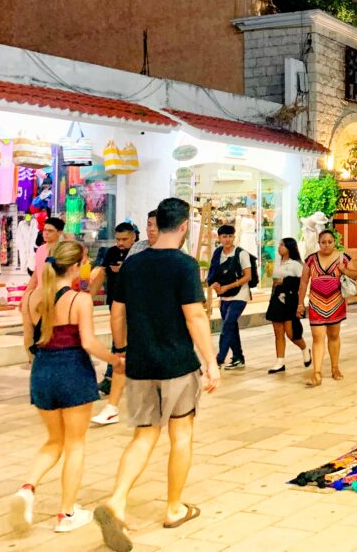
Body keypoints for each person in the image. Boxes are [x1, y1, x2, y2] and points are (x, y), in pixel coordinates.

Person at [93, 198, 220, 552]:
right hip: (177, 364)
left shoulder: (132, 266)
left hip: (140, 364)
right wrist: (210, 361)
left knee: (143, 436)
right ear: (182, 227)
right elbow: (195, 316)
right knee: (181, 435)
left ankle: (117, 500)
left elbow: (116, 314)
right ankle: (174, 507)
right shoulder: (183, 265)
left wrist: (120, 351)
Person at [11, 241, 124, 534]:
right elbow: (87, 342)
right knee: (75, 444)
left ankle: (27, 489)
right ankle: (66, 513)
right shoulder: (79, 300)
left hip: (42, 371)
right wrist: (115, 360)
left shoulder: (33, 297)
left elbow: (28, 343)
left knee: (53, 441)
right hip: (73, 370)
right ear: (76, 266)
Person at [297, 230, 357, 385]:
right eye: (323, 242)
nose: (326, 245)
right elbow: (304, 282)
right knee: (318, 338)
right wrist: (300, 303)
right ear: (319, 243)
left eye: (329, 242)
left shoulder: (343, 258)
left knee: (333, 336)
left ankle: (334, 367)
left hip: (336, 303)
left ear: (334, 242)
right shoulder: (311, 260)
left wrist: (344, 270)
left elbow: (356, 274)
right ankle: (316, 373)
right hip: (316, 303)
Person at [90, 222, 137, 404]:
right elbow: (101, 272)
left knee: (130, 341)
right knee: (118, 343)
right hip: (115, 303)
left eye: (124, 239)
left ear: (133, 236)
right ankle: (111, 377)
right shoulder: (110, 253)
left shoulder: (139, 253)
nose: (120, 243)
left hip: (134, 304)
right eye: (117, 239)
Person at [206, 225, 252, 370]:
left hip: (240, 295)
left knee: (227, 325)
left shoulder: (241, 254)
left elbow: (248, 276)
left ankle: (219, 359)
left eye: (230, 236)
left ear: (234, 237)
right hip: (224, 296)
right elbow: (213, 273)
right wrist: (215, 284)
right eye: (224, 236)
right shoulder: (217, 253)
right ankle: (238, 357)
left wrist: (228, 286)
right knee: (231, 326)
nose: (227, 239)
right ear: (219, 238)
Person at [265, 238, 310, 374]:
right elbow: (274, 282)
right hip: (276, 299)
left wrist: (284, 281)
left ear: (290, 247)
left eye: (282, 245)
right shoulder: (277, 263)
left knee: (291, 333)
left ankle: (304, 349)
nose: (279, 247)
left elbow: (300, 283)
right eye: (279, 245)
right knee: (278, 332)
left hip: (290, 300)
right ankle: (280, 362)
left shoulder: (296, 264)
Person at [23, 217, 66, 299]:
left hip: (58, 294)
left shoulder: (63, 250)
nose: (46, 233)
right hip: (41, 294)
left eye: (50, 231)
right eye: (44, 230)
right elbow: (36, 275)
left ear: (59, 232)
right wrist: (25, 297)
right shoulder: (40, 249)